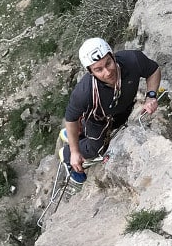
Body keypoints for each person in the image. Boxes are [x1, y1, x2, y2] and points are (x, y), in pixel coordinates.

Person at [61, 37, 163, 183]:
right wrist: (74, 152)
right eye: (98, 69)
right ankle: (66, 152)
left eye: (108, 63)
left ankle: (76, 133)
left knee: (118, 126)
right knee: (97, 149)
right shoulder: (84, 92)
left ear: (112, 55)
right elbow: (71, 118)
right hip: (97, 119)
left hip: (123, 108)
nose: (107, 72)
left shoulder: (132, 60)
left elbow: (153, 70)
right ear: (90, 72)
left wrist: (151, 96)